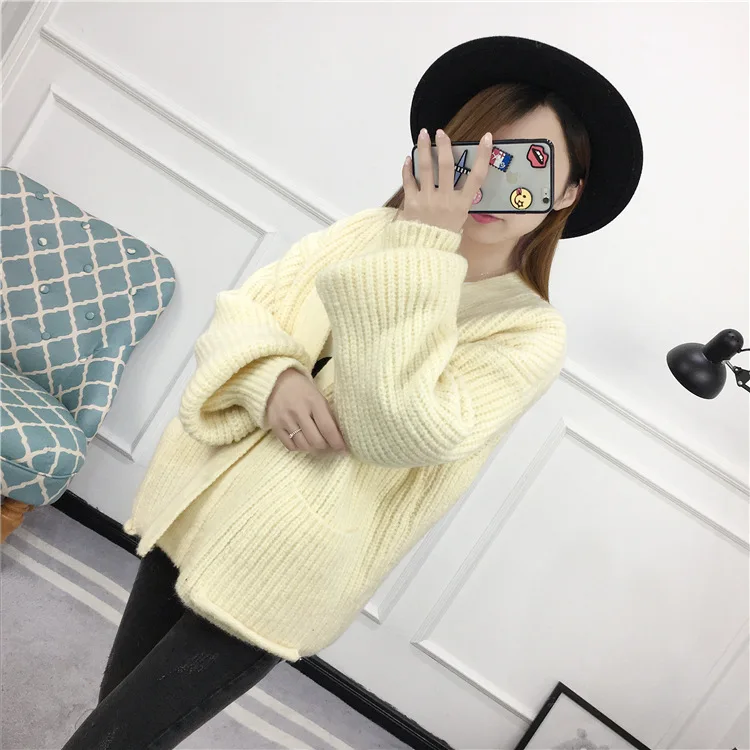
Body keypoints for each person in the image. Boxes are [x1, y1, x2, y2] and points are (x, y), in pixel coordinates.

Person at [61, 35, 642, 750]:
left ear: (569, 192)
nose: (494, 185)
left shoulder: (527, 333)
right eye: (477, 157)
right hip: (201, 504)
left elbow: (403, 426)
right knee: (114, 709)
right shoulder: (371, 232)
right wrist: (269, 377)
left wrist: (423, 249)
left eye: (529, 166)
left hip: (284, 566)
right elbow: (248, 309)